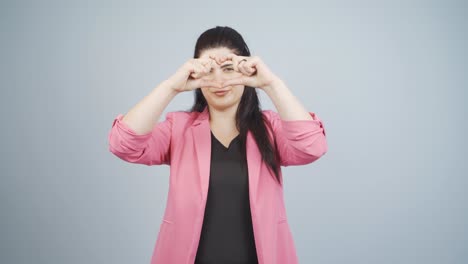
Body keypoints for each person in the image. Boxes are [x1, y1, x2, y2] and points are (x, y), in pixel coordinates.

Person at [108, 26, 327, 264]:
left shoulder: (271, 129)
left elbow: (312, 147)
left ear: (246, 70)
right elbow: (123, 144)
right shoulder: (178, 128)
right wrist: (171, 86)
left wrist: (271, 83)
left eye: (228, 69)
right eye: (208, 71)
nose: (219, 81)